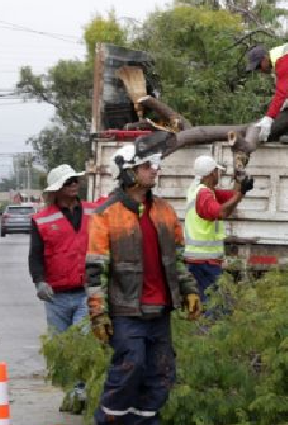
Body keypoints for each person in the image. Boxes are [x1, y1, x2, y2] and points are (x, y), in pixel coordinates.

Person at [86, 138, 201, 424]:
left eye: (155, 164)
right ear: (128, 172)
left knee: (161, 373)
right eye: (147, 165)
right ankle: (110, 420)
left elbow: (177, 259)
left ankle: (145, 420)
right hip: (127, 311)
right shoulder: (106, 216)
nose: (155, 170)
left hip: (159, 309)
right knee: (129, 367)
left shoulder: (164, 211)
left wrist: (189, 290)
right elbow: (95, 270)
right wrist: (98, 313)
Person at [29, 164, 103, 335]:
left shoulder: (94, 211)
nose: (74, 184)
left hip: (87, 292)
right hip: (56, 297)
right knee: (59, 347)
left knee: (80, 340)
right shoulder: (41, 220)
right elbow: (35, 255)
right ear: (57, 188)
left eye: (75, 180)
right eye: (68, 182)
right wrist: (39, 281)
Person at [183, 155, 252, 303]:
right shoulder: (204, 194)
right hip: (204, 261)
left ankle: (204, 325)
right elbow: (222, 212)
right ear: (211, 173)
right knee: (220, 303)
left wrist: (241, 186)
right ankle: (208, 326)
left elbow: (230, 196)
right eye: (217, 171)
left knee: (209, 301)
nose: (219, 174)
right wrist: (240, 193)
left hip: (200, 259)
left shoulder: (200, 189)